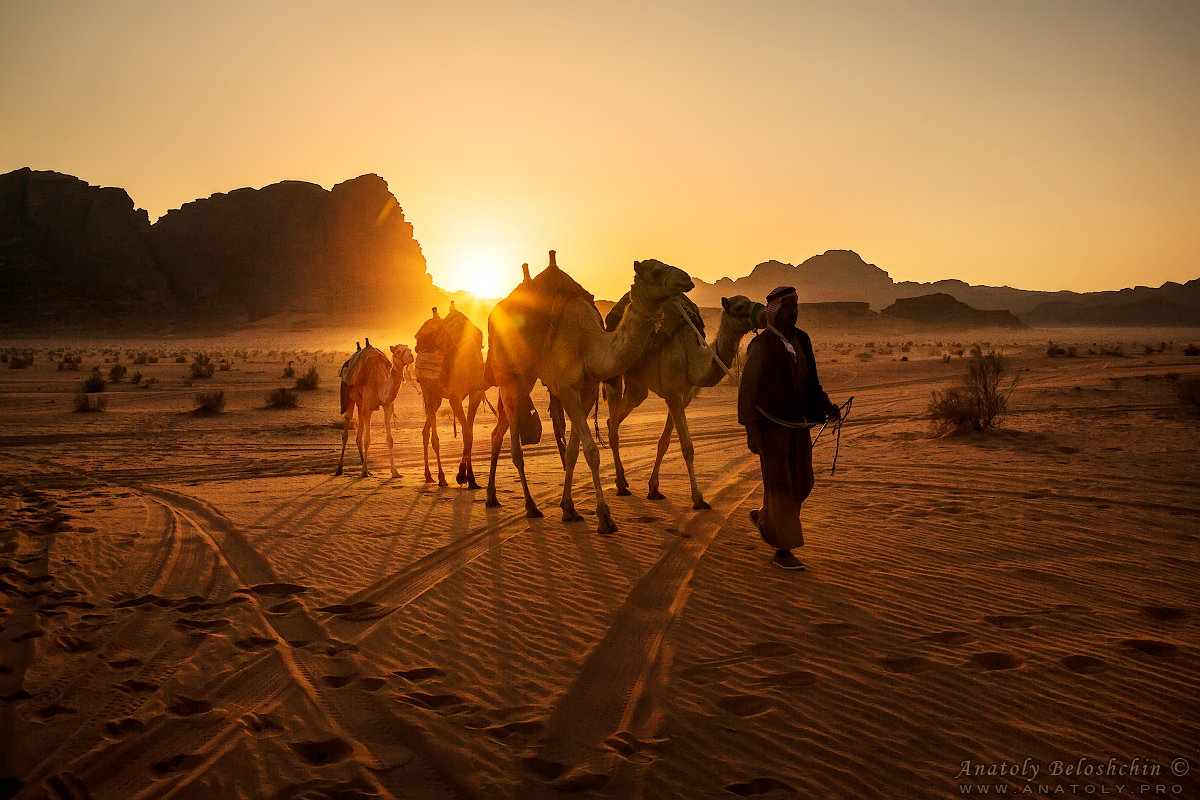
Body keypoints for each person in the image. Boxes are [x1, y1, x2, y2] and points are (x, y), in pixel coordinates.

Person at [738, 286, 840, 570]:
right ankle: (783, 551)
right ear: (774, 311)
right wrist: (751, 429)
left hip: (800, 424)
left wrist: (826, 405)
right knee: (780, 486)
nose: (793, 312)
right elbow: (747, 392)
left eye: (796, 306)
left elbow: (812, 382)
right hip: (772, 427)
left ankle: (765, 519)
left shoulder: (803, 340)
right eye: (787, 307)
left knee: (802, 483)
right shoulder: (760, 347)